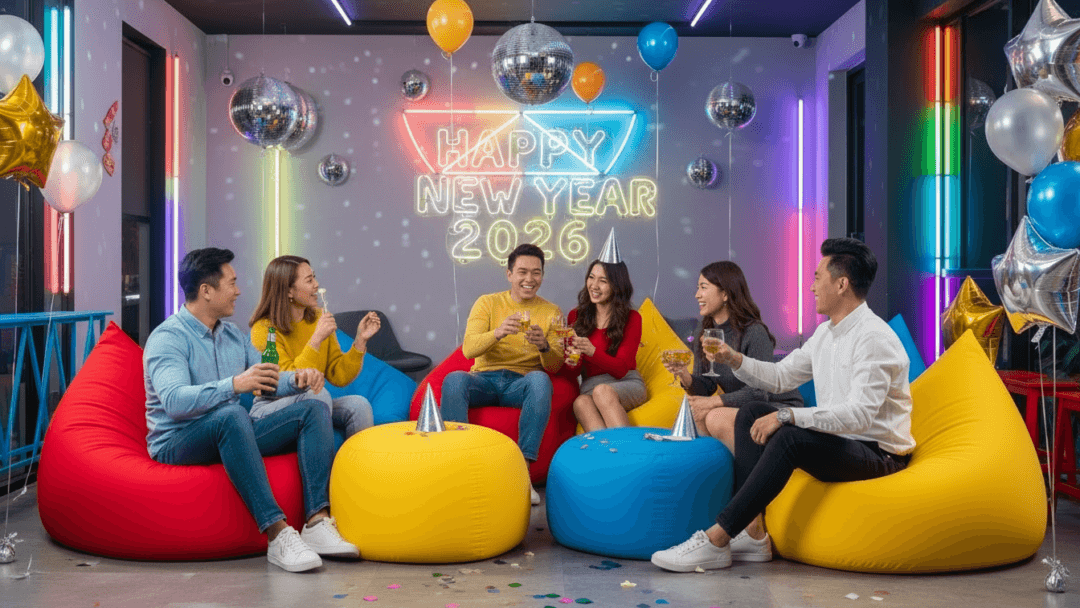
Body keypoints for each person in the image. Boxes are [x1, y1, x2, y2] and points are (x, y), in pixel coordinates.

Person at [651, 238, 915, 571]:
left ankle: (718, 538)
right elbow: (779, 377)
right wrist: (734, 359)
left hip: (878, 454)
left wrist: (788, 416)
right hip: (845, 442)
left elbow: (859, 417)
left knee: (790, 436)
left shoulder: (874, 338)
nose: (811, 286)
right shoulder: (826, 334)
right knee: (750, 414)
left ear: (842, 284)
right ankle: (754, 534)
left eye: (818, 277)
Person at [145, 248, 358, 573]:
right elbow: (174, 401)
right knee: (231, 415)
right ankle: (277, 533)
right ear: (206, 291)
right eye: (231, 283)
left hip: (231, 432)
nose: (239, 290)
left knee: (314, 407)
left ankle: (316, 521)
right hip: (178, 441)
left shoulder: (233, 335)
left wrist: (298, 379)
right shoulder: (168, 338)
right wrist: (235, 384)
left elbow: (266, 378)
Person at [440, 243, 563, 506]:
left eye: (536, 273)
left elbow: (554, 367)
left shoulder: (551, 312)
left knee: (541, 379)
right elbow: (470, 348)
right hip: (484, 380)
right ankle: (458, 465)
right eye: (522, 272)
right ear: (509, 274)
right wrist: (498, 332)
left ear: (542, 275)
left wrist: (544, 345)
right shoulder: (488, 303)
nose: (529, 279)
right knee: (454, 379)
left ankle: (523, 474)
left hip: (522, 383)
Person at [663, 261, 802, 452]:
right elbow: (706, 386)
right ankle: (722, 477)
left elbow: (759, 393)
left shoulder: (754, 332)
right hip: (746, 406)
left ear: (725, 294)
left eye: (704, 288)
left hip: (777, 406)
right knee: (697, 418)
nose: (697, 295)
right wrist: (684, 377)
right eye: (697, 288)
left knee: (714, 416)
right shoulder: (703, 332)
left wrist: (711, 403)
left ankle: (752, 474)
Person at [249, 255, 380, 439]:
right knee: (319, 397)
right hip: (271, 406)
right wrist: (316, 339)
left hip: (314, 400)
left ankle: (359, 466)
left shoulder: (318, 317)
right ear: (289, 291)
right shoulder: (264, 329)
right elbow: (288, 379)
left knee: (359, 405)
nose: (316, 285)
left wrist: (360, 341)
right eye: (309, 280)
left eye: (314, 277)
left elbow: (338, 375)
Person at [565, 259, 646, 432]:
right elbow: (575, 372)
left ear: (617, 286)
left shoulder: (632, 318)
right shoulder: (575, 316)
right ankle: (608, 455)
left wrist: (591, 351)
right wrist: (570, 360)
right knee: (580, 403)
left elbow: (621, 369)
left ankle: (629, 452)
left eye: (603, 281)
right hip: (589, 386)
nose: (594, 286)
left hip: (626, 383)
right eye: (591, 278)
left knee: (602, 392)